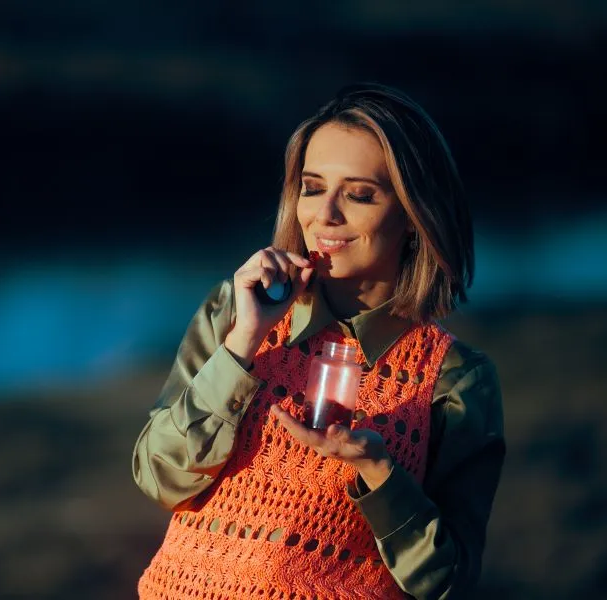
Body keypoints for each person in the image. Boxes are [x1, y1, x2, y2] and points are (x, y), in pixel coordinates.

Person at [132, 83, 505, 599]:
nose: (325, 214)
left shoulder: (457, 380)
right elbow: (159, 478)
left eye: (359, 194)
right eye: (312, 187)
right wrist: (244, 342)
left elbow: (448, 583)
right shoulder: (234, 311)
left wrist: (377, 470)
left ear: (413, 215)